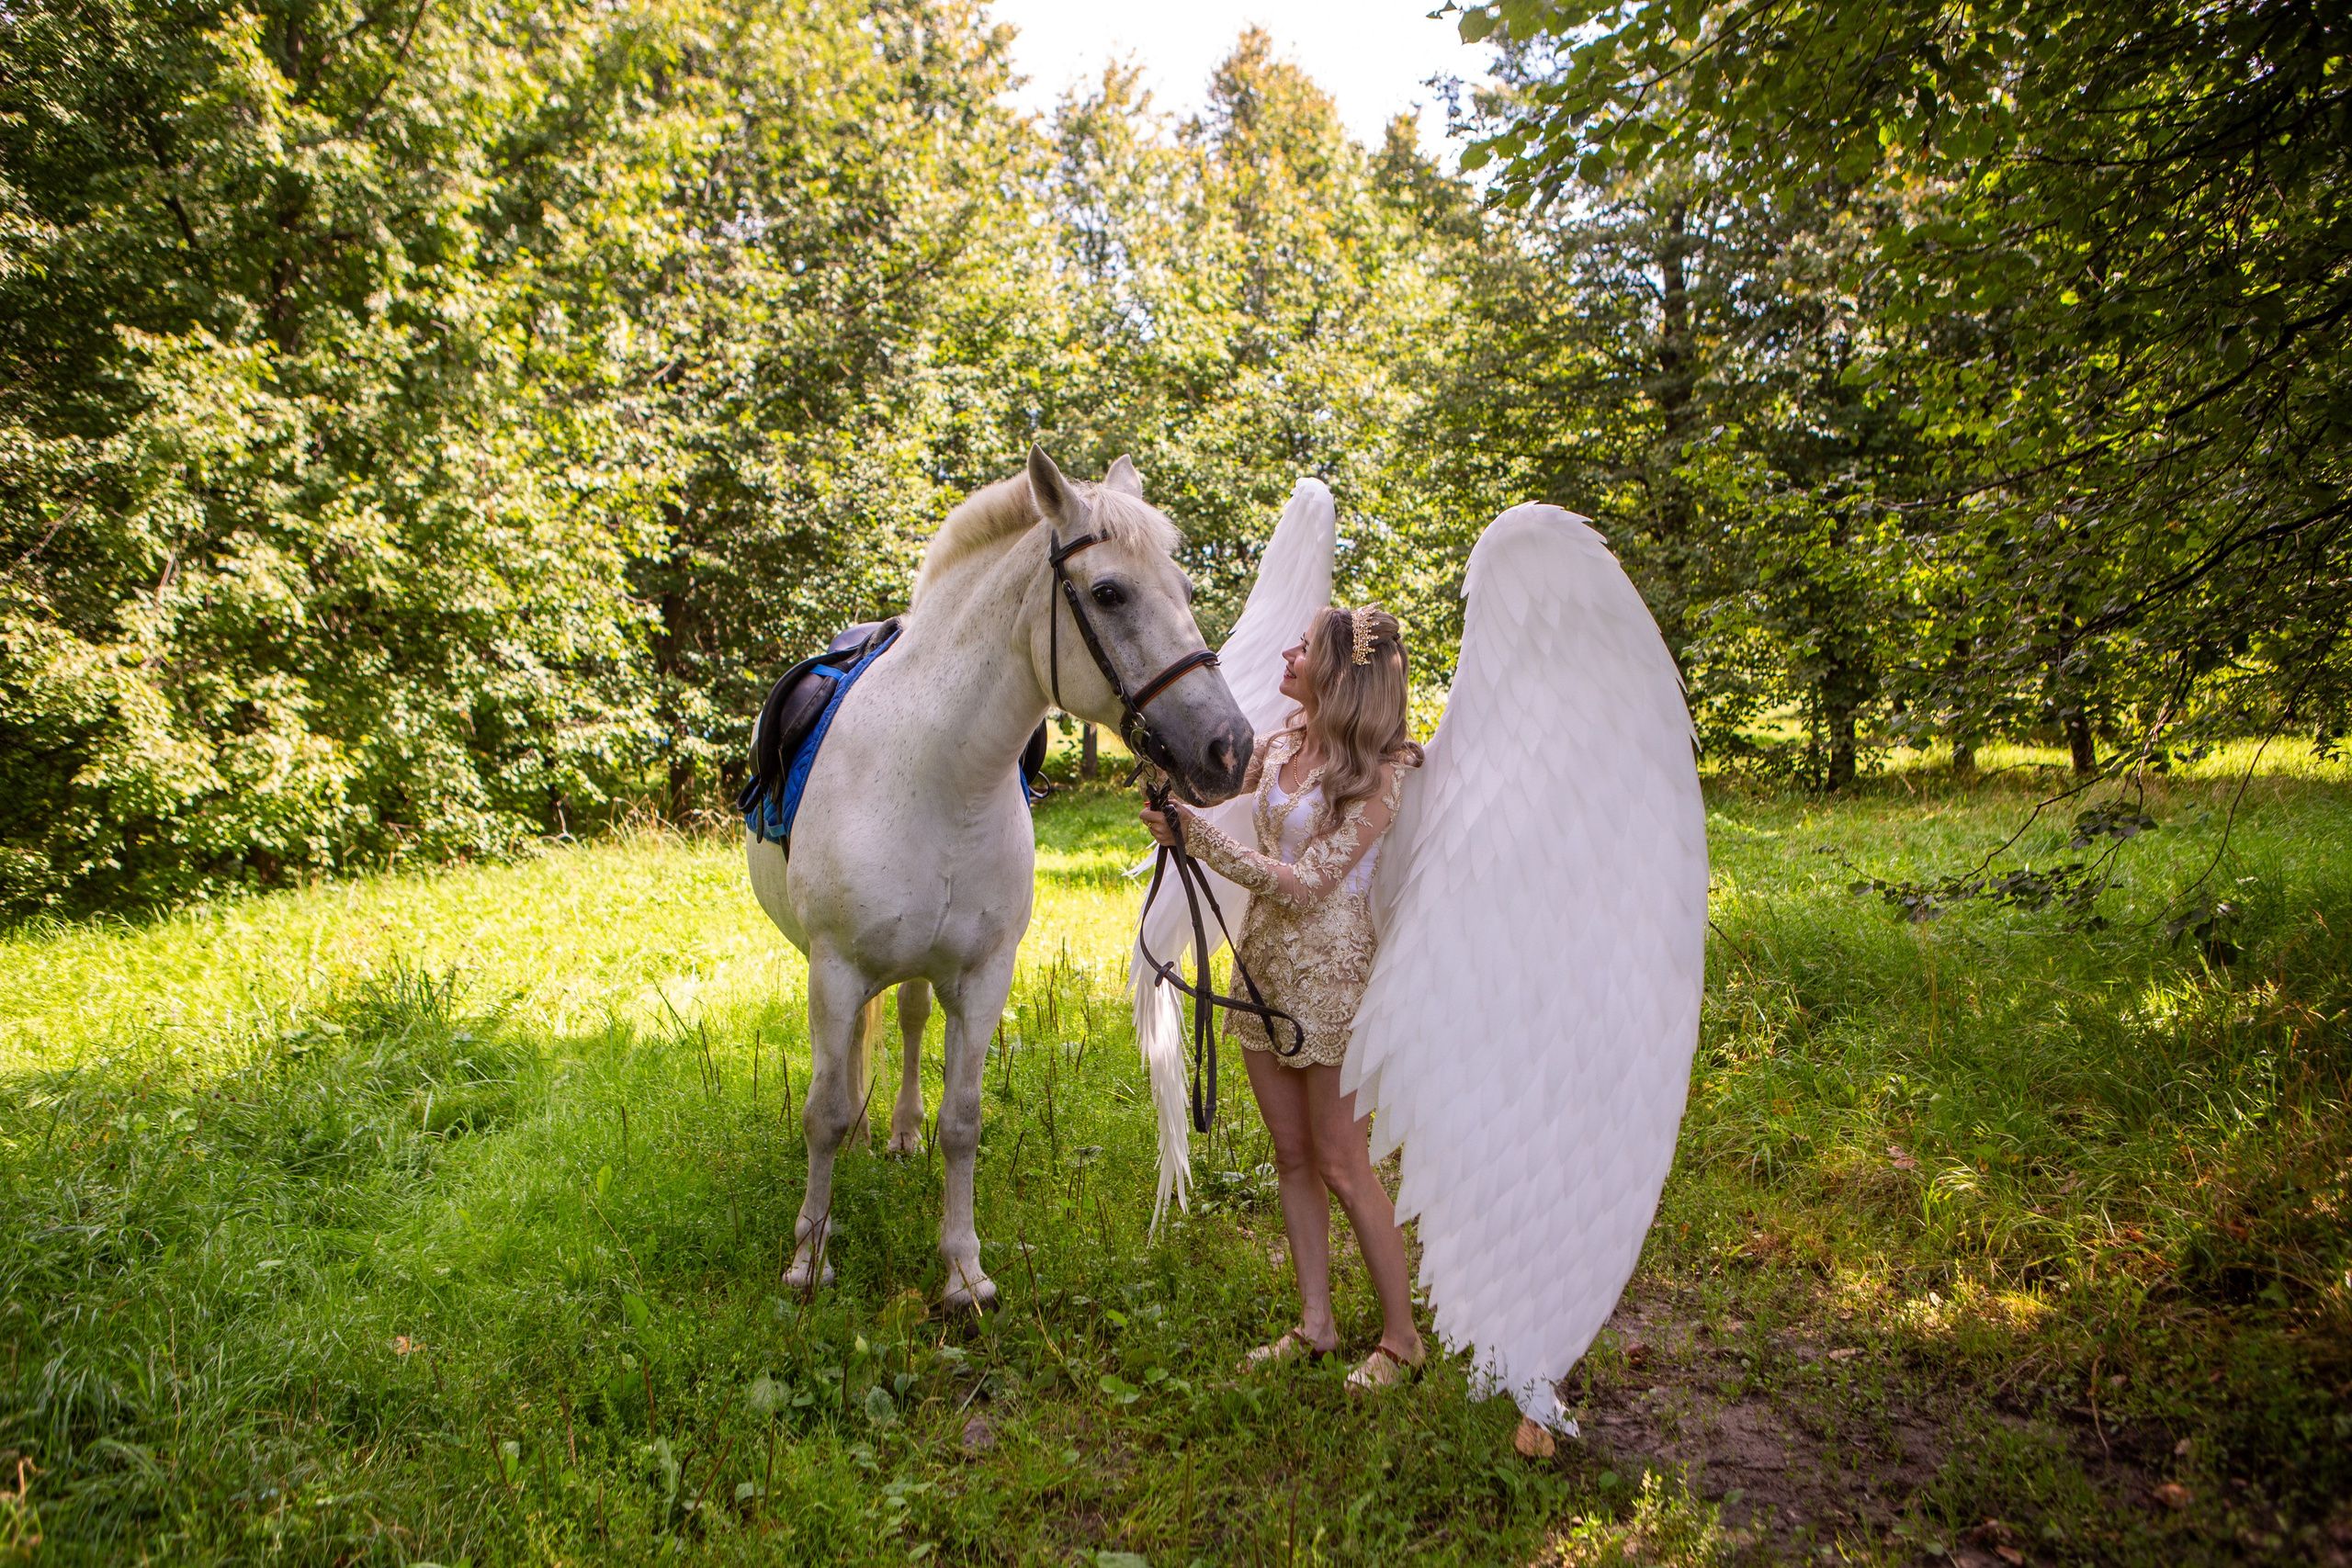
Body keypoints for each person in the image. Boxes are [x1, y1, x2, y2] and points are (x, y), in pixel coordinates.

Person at [1140, 603, 1426, 1392]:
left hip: (1331, 983)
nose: (1289, 651)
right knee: (1291, 1153)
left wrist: (1205, 840)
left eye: (1304, 646)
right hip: (1261, 970)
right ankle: (1317, 1323)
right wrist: (1176, 804)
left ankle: (1403, 1339)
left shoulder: (1382, 773)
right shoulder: (1283, 745)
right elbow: (1227, 792)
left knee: (1342, 1159)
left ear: (1337, 672)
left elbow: (1309, 884)